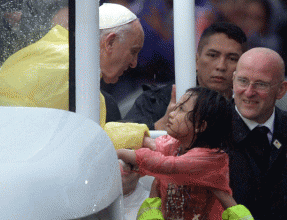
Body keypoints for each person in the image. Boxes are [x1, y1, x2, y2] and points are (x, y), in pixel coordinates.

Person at [0, 2, 149, 150]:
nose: (134, 63)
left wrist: (141, 136)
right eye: (133, 51)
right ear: (110, 43)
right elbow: (84, 140)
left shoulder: (58, 52)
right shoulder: (72, 68)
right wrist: (144, 139)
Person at [118, 87, 253, 219]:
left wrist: (124, 154)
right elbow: (154, 149)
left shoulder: (211, 158)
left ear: (200, 126)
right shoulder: (174, 146)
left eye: (181, 109)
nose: (171, 114)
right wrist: (140, 141)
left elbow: (169, 165)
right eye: (176, 107)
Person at [124, 22, 247, 130]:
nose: (221, 66)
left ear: (242, 65)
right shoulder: (156, 101)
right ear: (196, 60)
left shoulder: (248, 106)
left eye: (232, 58)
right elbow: (120, 142)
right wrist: (158, 126)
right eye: (213, 55)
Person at [229, 47, 287, 219]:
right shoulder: (211, 131)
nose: (249, 92)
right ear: (233, 81)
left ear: (281, 90)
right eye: (243, 81)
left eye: (261, 84)